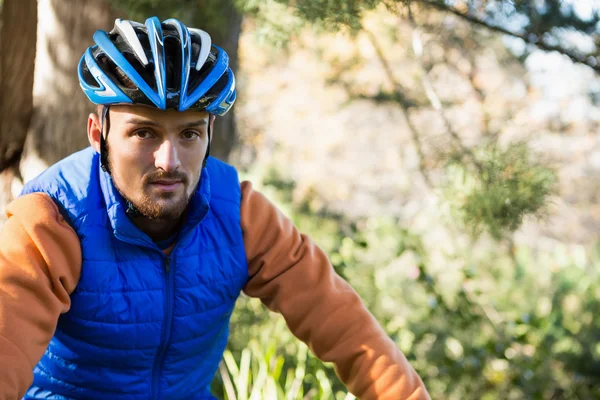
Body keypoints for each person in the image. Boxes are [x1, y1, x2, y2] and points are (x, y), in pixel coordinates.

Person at [0, 16, 430, 400]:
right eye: (144, 133)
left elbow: (349, 329)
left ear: (209, 135)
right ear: (99, 135)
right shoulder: (50, 219)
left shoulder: (240, 216)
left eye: (188, 135)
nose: (169, 161)